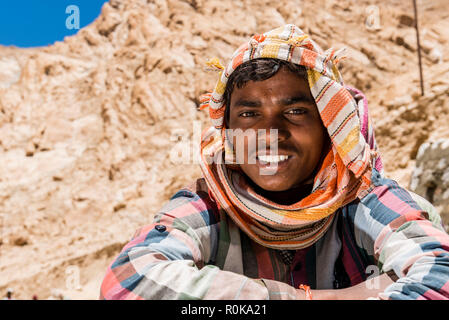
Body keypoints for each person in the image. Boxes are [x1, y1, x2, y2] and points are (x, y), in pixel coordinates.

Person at [100, 24, 449, 300]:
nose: (269, 133)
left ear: (328, 128)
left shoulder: (365, 200)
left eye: (295, 111)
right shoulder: (208, 206)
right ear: (229, 133)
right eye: (250, 113)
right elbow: (128, 281)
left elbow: (440, 277)